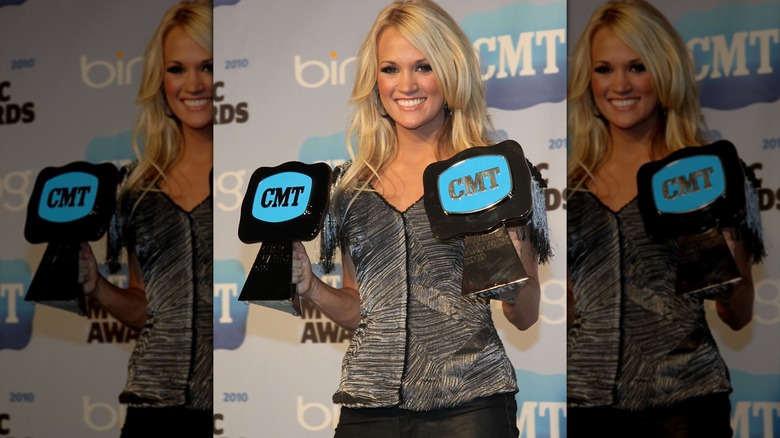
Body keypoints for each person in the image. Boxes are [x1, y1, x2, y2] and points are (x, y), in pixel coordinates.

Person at [291, 1, 552, 436]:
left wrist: (515, 251)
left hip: (469, 409)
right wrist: (312, 287)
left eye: (423, 66)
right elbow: (362, 310)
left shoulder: (496, 176)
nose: (406, 84)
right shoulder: (349, 189)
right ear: (374, 80)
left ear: (450, 73)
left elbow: (523, 315)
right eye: (390, 68)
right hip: (367, 409)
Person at [566, 0, 765, 436]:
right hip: (586, 406)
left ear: (664, 71)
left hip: (686, 407)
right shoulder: (571, 188)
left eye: (637, 66)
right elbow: (570, 309)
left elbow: (737, 315)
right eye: (604, 69)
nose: (620, 84)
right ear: (588, 79)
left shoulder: (712, 176)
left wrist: (727, 258)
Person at [77, 1, 213, 436]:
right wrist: (97, 286)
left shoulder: (253, 178)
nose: (193, 84)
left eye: (207, 66)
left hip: (232, 405)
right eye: (177, 69)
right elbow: (146, 310)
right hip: (152, 408)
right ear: (160, 79)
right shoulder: (138, 190)